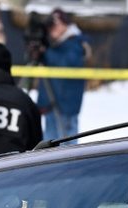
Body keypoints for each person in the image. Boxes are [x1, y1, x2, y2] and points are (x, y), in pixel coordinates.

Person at [34, 8, 89, 142]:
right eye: (51, 26)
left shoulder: (75, 43)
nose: (53, 29)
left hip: (66, 108)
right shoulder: (53, 45)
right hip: (51, 105)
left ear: (65, 24)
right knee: (49, 147)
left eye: (56, 24)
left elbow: (66, 64)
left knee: (68, 148)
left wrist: (46, 52)